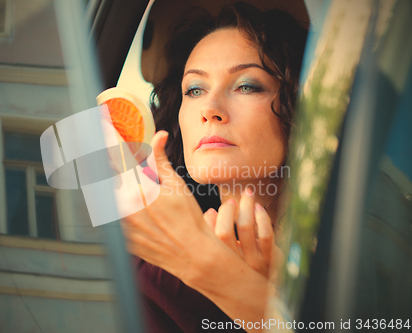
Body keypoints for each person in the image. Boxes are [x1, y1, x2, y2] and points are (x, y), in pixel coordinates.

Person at [122, 2, 307, 332]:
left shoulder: (352, 250)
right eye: (194, 89)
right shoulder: (150, 272)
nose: (209, 109)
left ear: (298, 105)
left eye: (246, 85)